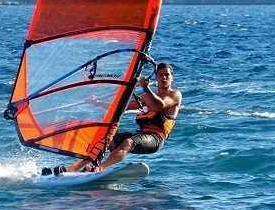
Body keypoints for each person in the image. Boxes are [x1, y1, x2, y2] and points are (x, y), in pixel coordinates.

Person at [44, 62, 181, 175]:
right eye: (160, 75)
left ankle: (100, 168)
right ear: (156, 78)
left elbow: (161, 105)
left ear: (172, 78)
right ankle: (74, 167)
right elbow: (121, 107)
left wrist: (146, 89)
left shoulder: (175, 95)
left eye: (167, 75)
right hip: (141, 133)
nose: (164, 78)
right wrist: (97, 102)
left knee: (128, 142)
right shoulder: (147, 98)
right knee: (104, 141)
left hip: (156, 138)